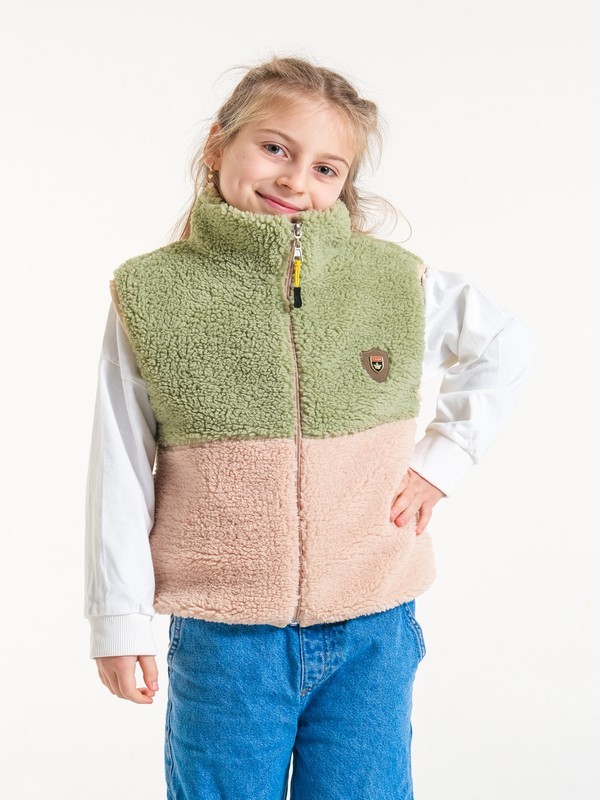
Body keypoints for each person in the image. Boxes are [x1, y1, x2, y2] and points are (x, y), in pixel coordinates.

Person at [84, 55, 537, 799]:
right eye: (275, 148)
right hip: (227, 637)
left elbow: (504, 345)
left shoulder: (392, 283)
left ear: (343, 183)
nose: (296, 181)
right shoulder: (152, 294)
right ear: (218, 145)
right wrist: (117, 619)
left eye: (327, 168)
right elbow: (120, 465)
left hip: (373, 627)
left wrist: (443, 460)